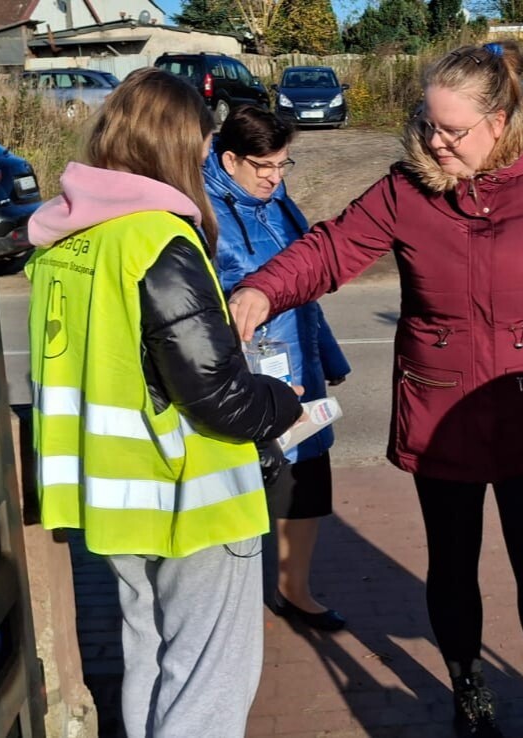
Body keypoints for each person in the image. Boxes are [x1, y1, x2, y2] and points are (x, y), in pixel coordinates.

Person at [229, 42, 523, 738]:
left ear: (499, 124)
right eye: (427, 124)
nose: (435, 141)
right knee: (451, 562)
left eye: (452, 129)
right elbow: (330, 249)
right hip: (438, 411)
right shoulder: (404, 191)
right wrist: (263, 289)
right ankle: (468, 689)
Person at [25, 68, 303, 738]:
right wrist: (282, 401)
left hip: (113, 495)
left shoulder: (67, 240)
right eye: (202, 145)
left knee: (147, 654)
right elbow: (216, 394)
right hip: (192, 494)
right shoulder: (158, 238)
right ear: (179, 147)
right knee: (208, 678)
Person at [203, 106, 353, 632]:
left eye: (282, 165)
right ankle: (230, 601)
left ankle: (294, 590)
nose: (273, 177)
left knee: (306, 476)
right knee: (242, 483)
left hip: (300, 362)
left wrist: (328, 355)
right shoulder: (202, 212)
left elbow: (305, 286)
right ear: (230, 160)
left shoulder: (279, 200)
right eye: (263, 166)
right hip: (245, 373)